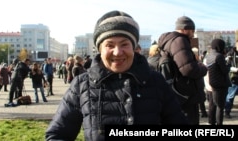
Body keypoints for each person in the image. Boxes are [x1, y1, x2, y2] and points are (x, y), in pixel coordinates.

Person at [45, 10, 188, 141]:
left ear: (134, 48)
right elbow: (56, 135)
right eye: (110, 45)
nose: (118, 52)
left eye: (124, 44)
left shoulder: (155, 81)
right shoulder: (81, 84)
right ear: (99, 49)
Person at [158, 16, 207, 125]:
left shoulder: (169, 41)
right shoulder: (180, 40)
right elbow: (189, 69)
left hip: (178, 93)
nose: (193, 34)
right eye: (192, 31)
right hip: (186, 96)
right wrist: (203, 67)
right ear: (185, 29)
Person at [206, 39, 231, 125]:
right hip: (221, 84)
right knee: (220, 107)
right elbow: (224, 70)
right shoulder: (219, 56)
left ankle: (212, 122)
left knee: (213, 105)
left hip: (213, 83)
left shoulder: (209, 56)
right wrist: (229, 65)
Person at [192, 47, 208, 118]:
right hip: (198, 84)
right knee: (200, 98)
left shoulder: (196, 62)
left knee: (200, 98)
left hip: (198, 84)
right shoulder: (197, 63)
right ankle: (203, 112)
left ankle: (203, 112)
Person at [225, 39, 238, 118]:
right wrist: (233, 69)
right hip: (234, 78)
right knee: (230, 96)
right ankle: (227, 111)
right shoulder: (231, 53)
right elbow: (226, 65)